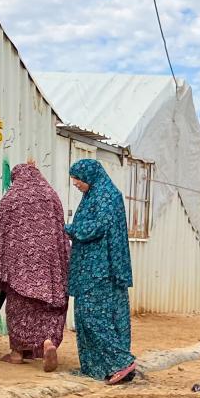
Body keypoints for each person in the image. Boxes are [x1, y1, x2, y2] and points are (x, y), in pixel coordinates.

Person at [0, 162, 70, 372]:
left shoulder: (12, 197)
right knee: (47, 306)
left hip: (20, 264)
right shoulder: (52, 195)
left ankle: (17, 353)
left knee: (19, 306)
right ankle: (47, 343)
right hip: (50, 262)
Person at [65, 159, 138, 385]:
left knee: (93, 315)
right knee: (95, 316)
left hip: (101, 267)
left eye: (78, 178)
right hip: (93, 265)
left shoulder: (106, 195)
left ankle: (122, 362)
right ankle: (98, 368)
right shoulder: (95, 194)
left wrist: (68, 229)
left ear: (89, 175)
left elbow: (99, 226)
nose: (75, 183)